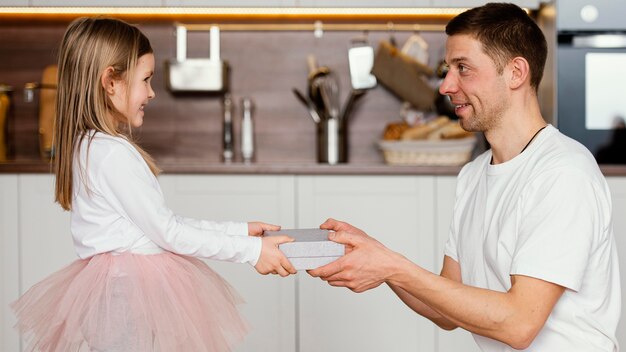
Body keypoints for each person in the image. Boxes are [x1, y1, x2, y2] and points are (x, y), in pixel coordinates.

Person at [309, 3, 621, 351]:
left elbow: (519, 324)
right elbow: (444, 309)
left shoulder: (563, 172)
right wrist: (379, 258)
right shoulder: (473, 175)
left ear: (516, 72)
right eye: (448, 69)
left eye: (463, 68)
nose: (445, 86)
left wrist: (392, 267)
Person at [11, 17, 296, 352]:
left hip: (120, 289)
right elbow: (168, 233)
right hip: (127, 294)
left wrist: (238, 231)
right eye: (145, 80)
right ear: (111, 82)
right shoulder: (110, 154)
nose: (151, 92)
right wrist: (251, 251)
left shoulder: (91, 146)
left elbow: (156, 227)